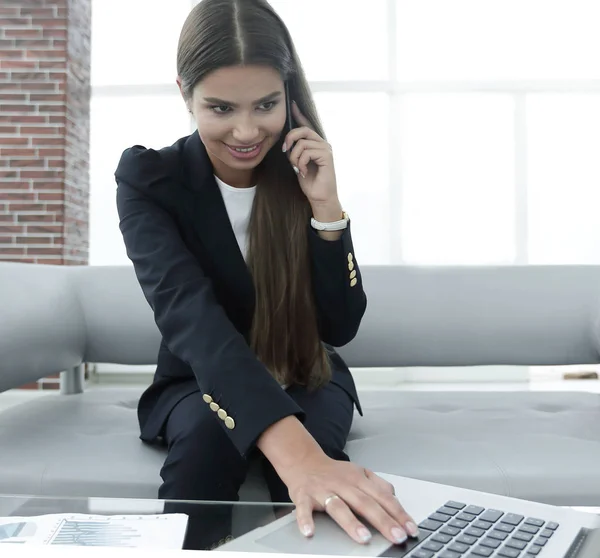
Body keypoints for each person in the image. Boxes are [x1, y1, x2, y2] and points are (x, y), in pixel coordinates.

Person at [114, 0, 418, 550]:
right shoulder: (151, 179)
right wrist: (298, 454)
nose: (246, 130)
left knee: (318, 485)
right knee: (209, 446)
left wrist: (326, 209)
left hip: (306, 372)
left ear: (289, 94)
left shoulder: (300, 172)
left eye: (266, 104)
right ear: (185, 92)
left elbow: (340, 326)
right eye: (221, 108)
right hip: (198, 381)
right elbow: (191, 317)